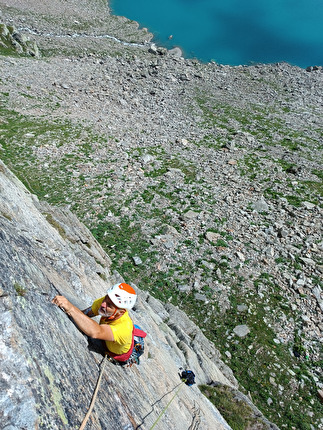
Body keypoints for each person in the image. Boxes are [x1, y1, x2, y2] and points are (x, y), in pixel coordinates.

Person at [52, 283, 137, 358]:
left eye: (109, 305)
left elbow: (96, 332)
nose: (103, 304)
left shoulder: (123, 329)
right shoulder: (108, 301)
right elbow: (84, 315)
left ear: (121, 312)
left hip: (118, 353)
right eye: (105, 299)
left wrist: (70, 308)